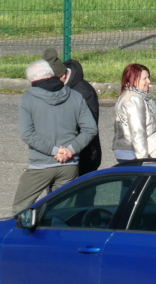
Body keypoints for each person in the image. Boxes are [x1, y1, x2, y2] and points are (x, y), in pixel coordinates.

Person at [11, 58, 98, 212]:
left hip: (41, 165)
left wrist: (54, 151)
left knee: (20, 208)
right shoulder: (75, 95)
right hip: (69, 165)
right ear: (52, 74)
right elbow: (90, 128)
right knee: (59, 212)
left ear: (32, 79)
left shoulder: (28, 98)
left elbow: (27, 134)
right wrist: (70, 149)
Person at [42, 48, 102, 175]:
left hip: (82, 158)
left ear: (62, 77)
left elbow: (88, 129)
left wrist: (66, 150)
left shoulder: (85, 93)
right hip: (55, 157)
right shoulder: (52, 88)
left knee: (80, 194)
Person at [113, 63, 156, 160]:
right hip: (132, 152)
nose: (149, 81)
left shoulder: (130, 95)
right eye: (145, 78)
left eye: (148, 77)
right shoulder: (134, 99)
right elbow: (137, 130)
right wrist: (143, 159)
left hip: (128, 150)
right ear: (134, 80)